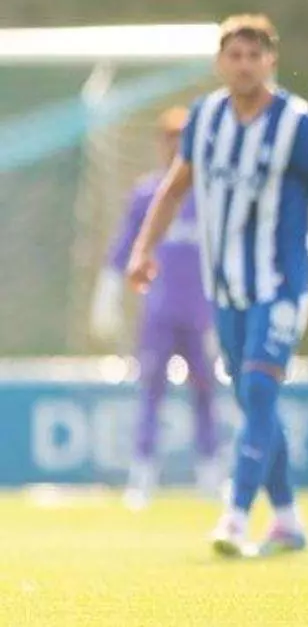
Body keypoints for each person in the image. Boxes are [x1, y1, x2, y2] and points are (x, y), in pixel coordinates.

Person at [125, 14, 308, 558]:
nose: (244, 64)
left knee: (258, 391)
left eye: (254, 55)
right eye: (234, 55)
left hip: (281, 282)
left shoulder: (298, 124)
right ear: (220, 63)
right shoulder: (204, 119)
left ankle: (235, 517)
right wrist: (143, 250)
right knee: (254, 397)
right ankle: (287, 519)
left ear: (271, 62)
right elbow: (173, 189)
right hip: (226, 287)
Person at [90, 106, 220, 510]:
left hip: (202, 314)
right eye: (170, 136)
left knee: (206, 394)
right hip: (159, 314)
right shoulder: (147, 193)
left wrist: (227, 312)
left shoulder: (212, 193)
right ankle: (142, 475)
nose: (176, 144)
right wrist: (108, 293)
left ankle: (212, 475)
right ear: (160, 142)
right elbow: (123, 246)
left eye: (183, 136)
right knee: (151, 393)